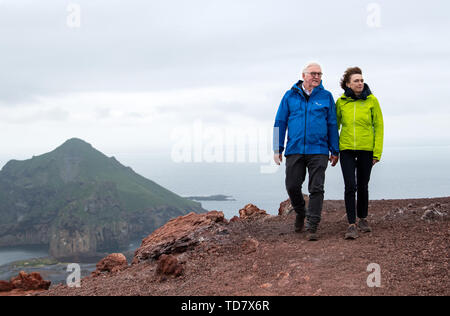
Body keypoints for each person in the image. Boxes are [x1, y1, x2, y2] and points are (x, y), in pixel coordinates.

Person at [273, 62, 339, 241]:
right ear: (304, 76)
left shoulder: (326, 96)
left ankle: (313, 225)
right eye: (313, 74)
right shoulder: (290, 96)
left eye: (319, 74)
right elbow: (280, 122)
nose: (317, 77)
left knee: (316, 187)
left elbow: (332, 123)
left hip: (318, 150)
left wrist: (335, 149)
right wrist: (277, 148)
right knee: (292, 186)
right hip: (295, 149)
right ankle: (301, 212)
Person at [335, 67, 384, 240]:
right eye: (356, 81)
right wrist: (334, 149)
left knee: (363, 185)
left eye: (362, 80)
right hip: (346, 148)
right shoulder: (341, 102)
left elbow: (379, 127)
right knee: (350, 186)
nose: (360, 83)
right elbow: (335, 126)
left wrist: (376, 152)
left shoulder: (372, 101)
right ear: (348, 84)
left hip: (366, 149)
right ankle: (351, 224)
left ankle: (362, 218)